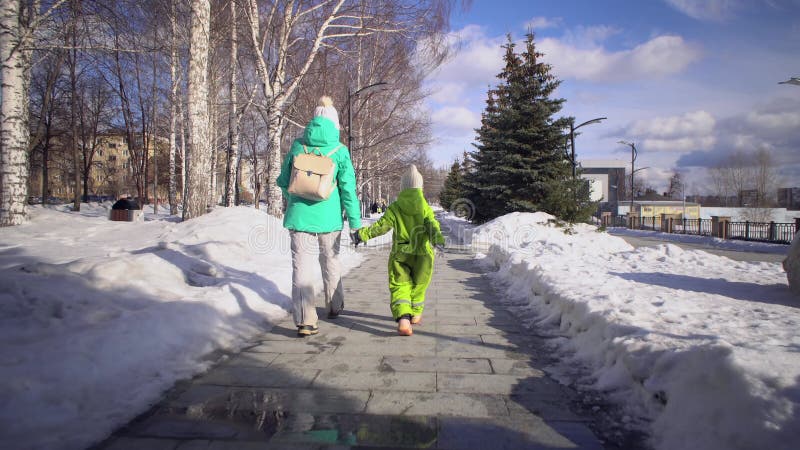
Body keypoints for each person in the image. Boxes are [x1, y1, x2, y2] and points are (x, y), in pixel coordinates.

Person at [277, 96, 361, 337]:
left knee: (301, 267)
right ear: (335, 124)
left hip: (299, 217)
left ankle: (305, 320)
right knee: (330, 261)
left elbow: (284, 181)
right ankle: (334, 306)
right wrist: (355, 223)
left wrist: (296, 196)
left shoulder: (297, 146)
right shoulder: (340, 151)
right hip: (330, 219)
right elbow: (348, 190)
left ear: (313, 121)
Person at [351, 165, 445, 336]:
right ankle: (415, 314)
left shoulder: (395, 207)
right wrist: (438, 240)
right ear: (420, 187)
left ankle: (403, 318)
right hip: (423, 255)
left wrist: (361, 235)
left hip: (400, 254)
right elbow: (432, 225)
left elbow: (381, 226)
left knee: (400, 285)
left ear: (403, 187)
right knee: (419, 284)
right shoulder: (425, 207)